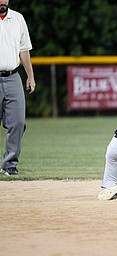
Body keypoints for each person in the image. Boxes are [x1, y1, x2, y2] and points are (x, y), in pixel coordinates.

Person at [0, 0, 36, 176]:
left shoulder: (17, 18)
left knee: (18, 122)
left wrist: (30, 75)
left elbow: (24, 50)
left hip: (13, 75)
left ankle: (9, 165)